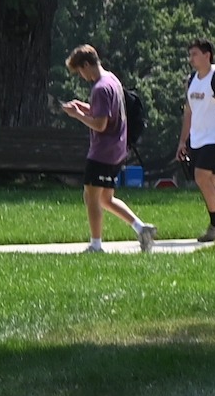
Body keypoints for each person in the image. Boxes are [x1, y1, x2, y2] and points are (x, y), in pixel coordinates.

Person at [61, 44, 157, 253]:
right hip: (117, 150)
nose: (82, 76)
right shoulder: (112, 80)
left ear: (86, 65)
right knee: (106, 198)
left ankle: (96, 245)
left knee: (91, 197)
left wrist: (76, 115)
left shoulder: (100, 88)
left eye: (80, 71)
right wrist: (82, 106)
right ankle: (142, 228)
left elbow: (100, 124)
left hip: (102, 151)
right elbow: (105, 113)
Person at [174, 39, 215, 243]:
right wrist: (183, 141)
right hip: (197, 138)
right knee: (207, 180)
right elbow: (189, 111)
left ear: (207, 55)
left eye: (194, 54)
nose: (191, 59)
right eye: (190, 54)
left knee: (202, 176)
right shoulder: (192, 79)